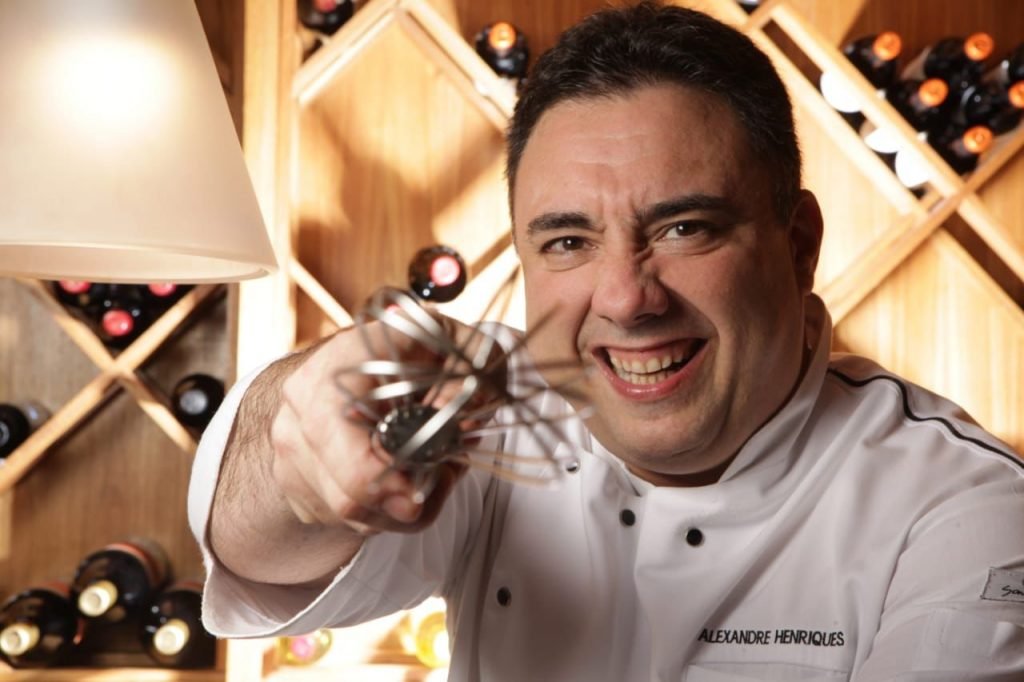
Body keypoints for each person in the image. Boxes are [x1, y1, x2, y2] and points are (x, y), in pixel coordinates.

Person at [188, 2, 1024, 680]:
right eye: (568, 241)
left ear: (798, 245)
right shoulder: (493, 411)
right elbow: (250, 551)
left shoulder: (965, 507)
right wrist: (300, 462)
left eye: (685, 228)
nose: (626, 299)